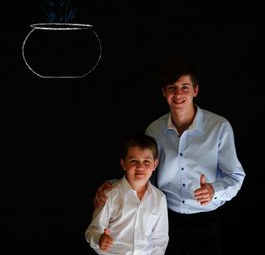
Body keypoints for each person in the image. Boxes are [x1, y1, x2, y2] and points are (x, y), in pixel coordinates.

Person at [93, 59, 246, 254]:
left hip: (206, 222)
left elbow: (236, 176)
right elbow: (144, 170)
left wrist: (213, 190)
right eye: (172, 88)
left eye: (185, 87)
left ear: (195, 91)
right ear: (164, 92)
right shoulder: (154, 130)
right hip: (164, 219)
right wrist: (112, 185)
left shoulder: (219, 127)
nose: (178, 94)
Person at [85, 133, 169, 255]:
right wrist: (99, 239)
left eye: (146, 161)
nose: (140, 167)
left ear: (155, 165)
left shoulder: (160, 198)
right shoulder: (109, 195)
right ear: (123, 164)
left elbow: (160, 239)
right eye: (133, 161)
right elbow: (92, 231)